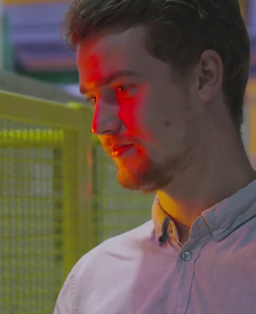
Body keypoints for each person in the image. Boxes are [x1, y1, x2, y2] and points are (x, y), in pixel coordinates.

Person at [54, 0, 256, 313]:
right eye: (93, 98)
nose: (100, 125)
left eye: (123, 88)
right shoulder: (92, 281)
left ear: (204, 76)